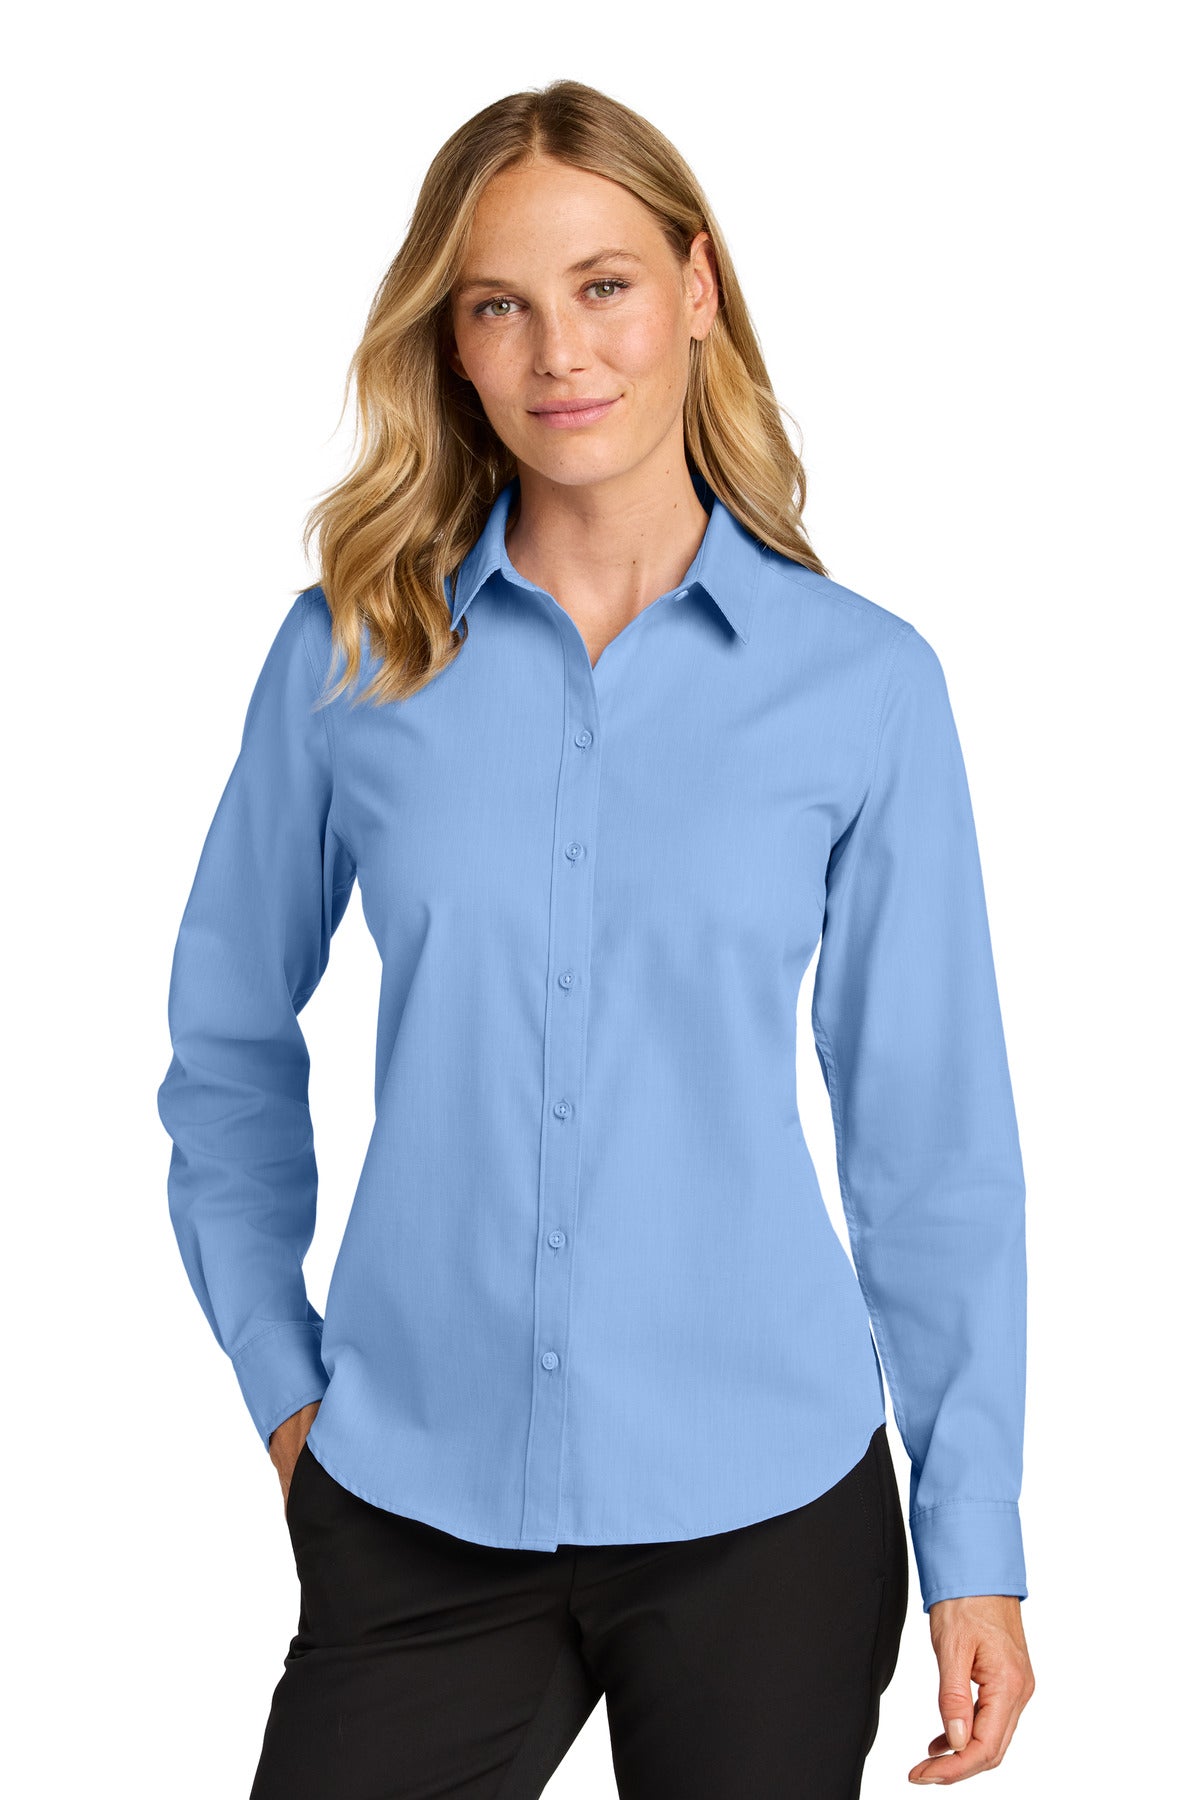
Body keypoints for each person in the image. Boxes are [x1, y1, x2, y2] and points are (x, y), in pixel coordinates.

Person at [157, 77, 1035, 1799]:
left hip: (767, 1520)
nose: (561, 351)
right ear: (455, 344)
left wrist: (976, 1539)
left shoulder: (863, 686)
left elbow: (931, 1146)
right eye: (501, 305)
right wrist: (284, 1386)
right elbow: (227, 1048)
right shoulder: (349, 654)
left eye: (605, 285)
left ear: (697, 287)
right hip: (413, 1501)